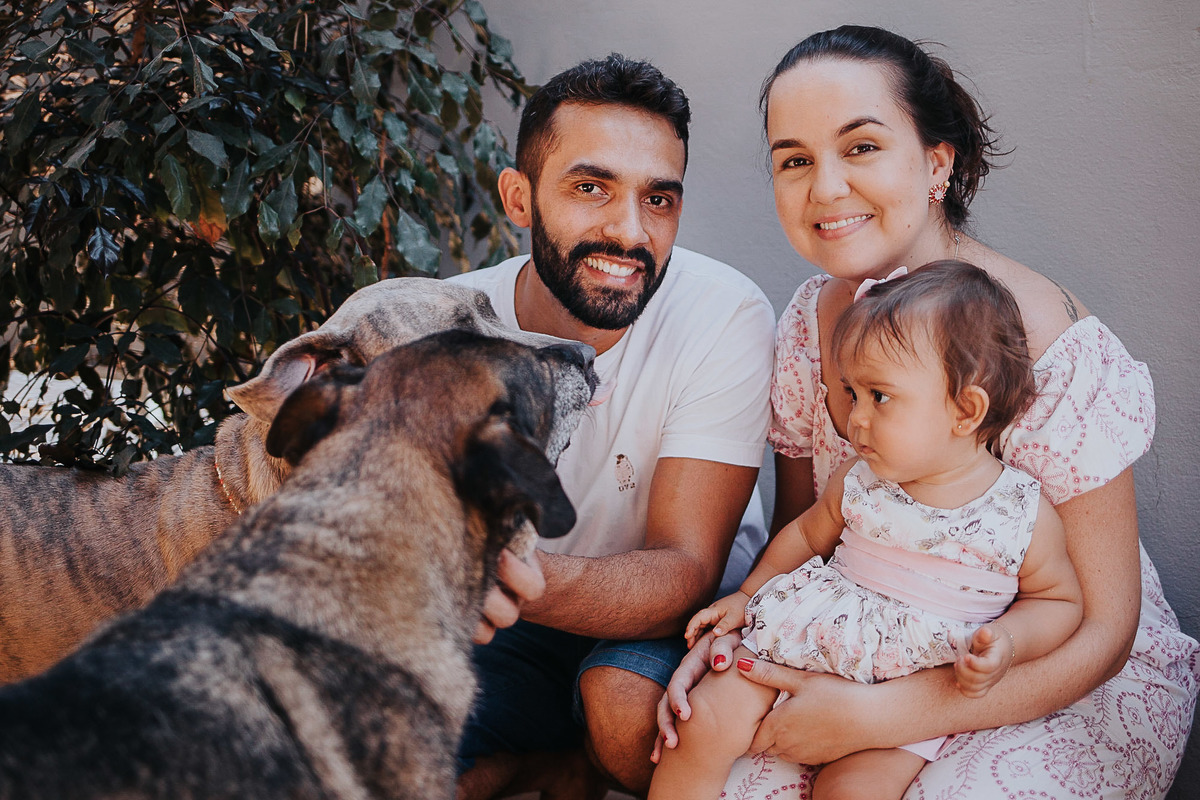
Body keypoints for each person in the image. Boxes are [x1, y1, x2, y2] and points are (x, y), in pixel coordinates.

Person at [654, 25, 1199, 799]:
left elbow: (1101, 632)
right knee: (699, 749)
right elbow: (804, 535)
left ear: (937, 163)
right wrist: (741, 640)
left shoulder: (1047, 341)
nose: (826, 188)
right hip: (858, 634)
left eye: (861, 147)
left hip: (1032, 670)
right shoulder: (809, 321)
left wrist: (882, 715)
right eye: (794, 160)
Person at [449, 53, 777, 798]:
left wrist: (492, 570)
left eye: (658, 199)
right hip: (515, 624)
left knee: (624, 717)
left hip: (671, 619)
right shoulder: (450, 325)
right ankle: (552, 762)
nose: (629, 233)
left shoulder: (723, 313)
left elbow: (685, 569)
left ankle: (589, 756)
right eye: (591, 188)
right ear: (519, 198)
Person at [649, 261, 1083, 800]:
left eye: (879, 396)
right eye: (852, 394)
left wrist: (1009, 643)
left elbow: (1059, 601)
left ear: (966, 410)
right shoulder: (858, 479)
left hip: (910, 686)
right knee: (703, 722)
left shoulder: (1020, 513)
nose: (856, 418)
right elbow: (805, 537)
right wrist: (746, 595)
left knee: (855, 791)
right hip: (808, 638)